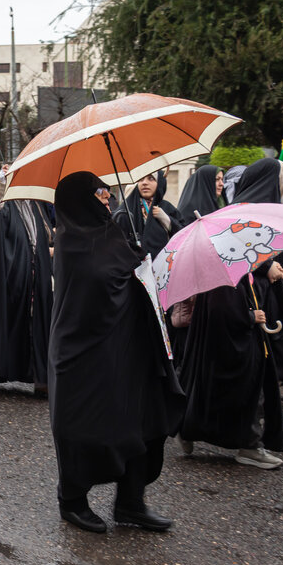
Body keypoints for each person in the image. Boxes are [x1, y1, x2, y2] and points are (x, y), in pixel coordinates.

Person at [49, 172, 185, 534]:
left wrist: (138, 260)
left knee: (140, 421)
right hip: (85, 354)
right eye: (99, 193)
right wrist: (130, 271)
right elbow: (97, 287)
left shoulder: (110, 231)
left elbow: (125, 275)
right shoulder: (72, 242)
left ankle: (131, 502)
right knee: (85, 428)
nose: (107, 198)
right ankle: (73, 501)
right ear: (80, 200)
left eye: (107, 192)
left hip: (126, 349)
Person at [177, 278, 283, 469]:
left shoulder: (223, 270)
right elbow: (222, 309)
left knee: (220, 393)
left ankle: (188, 428)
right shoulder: (226, 274)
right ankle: (250, 447)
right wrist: (251, 317)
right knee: (247, 394)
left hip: (222, 344)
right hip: (232, 345)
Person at [0, 164, 54, 396]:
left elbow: (44, 237)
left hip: (35, 276)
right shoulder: (6, 203)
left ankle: (39, 375)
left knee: (37, 324)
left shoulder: (35, 205)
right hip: (7, 278)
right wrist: (2, 186)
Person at [231, 158, 283, 387]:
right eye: (281, 181)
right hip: (252, 295)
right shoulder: (240, 212)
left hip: (271, 292)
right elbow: (234, 248)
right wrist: (266, 266)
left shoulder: (272, 210)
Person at [113, 171, 183, 258]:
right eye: (141, 179)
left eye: (151, 178)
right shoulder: (126, 208)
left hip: (163, 263)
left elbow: (183, 236)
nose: (144, 183)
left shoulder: (167, 208)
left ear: (160, 183)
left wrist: (167, 220)